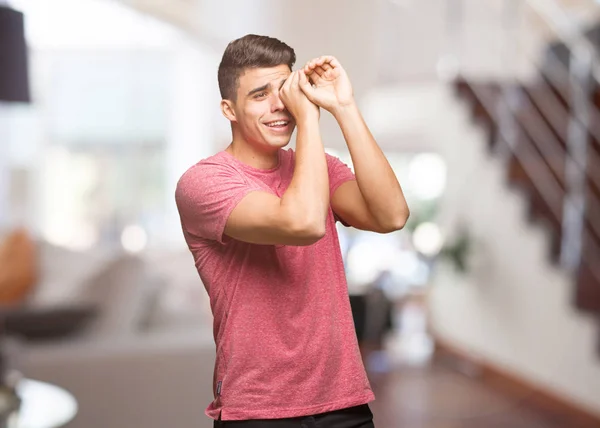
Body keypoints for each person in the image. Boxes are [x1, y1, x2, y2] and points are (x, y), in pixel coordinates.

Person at [175, 34, 409, 428]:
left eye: (284, 89)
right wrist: (308, 121)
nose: (279, 104)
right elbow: (302, 223)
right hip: (258, 410)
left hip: (343, 399)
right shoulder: (203, 182)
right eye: (259, 94)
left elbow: (391, 216)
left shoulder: (317, 166)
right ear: (228, 109)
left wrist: (344, 106)